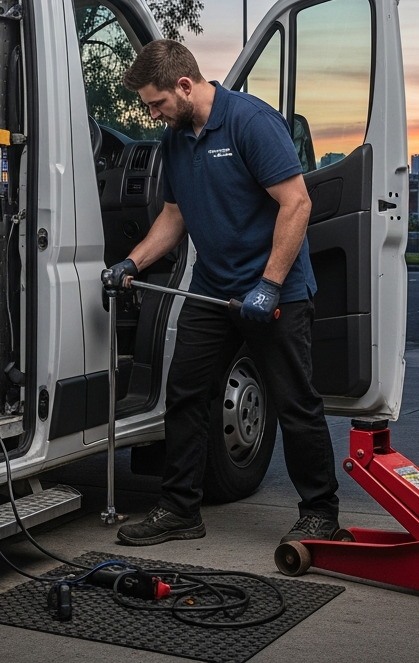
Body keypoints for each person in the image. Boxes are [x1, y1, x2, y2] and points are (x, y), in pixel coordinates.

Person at [104, 39, 340, 548]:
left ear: (184, 86)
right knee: (186, 394)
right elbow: (175, 216)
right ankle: (180, 509)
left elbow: (296, 203)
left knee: (294, 402)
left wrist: (270, 285)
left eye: (157, 103)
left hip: (274, 291)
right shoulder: (175, 138)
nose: (153, 114)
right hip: (211, 290)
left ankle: (321, 513)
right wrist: (131, 262)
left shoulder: (250, 123)